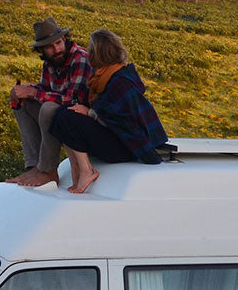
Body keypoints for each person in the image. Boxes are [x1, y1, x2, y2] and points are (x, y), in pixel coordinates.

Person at [48, 29, 168, 194]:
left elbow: (123, 122)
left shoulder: (120, 81)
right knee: (63, 111)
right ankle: (77, 167)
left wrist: (90, 113)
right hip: (115, 137)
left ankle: (87, 171)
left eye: (91, 49)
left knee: (68, 117)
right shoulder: (102, 77)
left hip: (126, 146)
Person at [8, 17, 90, 187]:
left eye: (58, 43)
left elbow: (72, 100)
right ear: (42, 50)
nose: (56, 49)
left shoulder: (79, 58)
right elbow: (45, 88)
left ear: (64, 39)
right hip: (61, 120)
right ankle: (35, 167)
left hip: (79, 122)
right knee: (23, 104)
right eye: (50, 47)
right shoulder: (50, 62)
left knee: (48, 108)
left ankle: (48, 171)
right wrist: (23, 91)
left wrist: (33, 92)